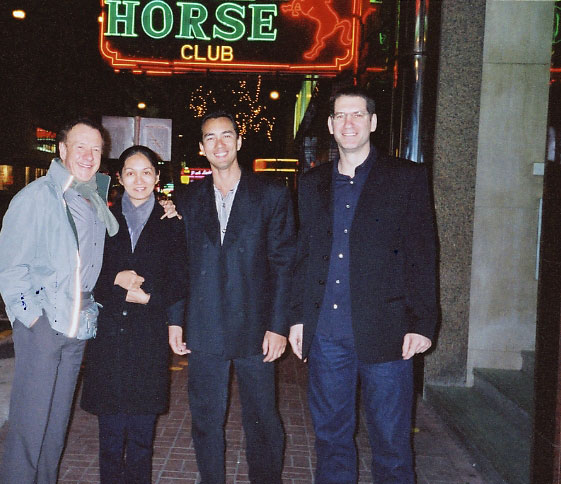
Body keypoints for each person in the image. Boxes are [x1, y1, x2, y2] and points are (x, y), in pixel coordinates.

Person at [288, 86, 438, 484]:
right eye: (340, 116)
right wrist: (300, 319)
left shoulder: (406, 178)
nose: (349, 123)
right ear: (331, 126)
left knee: (390, 442)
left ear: (372, 122)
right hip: (327, 335)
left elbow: (423, 254)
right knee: (331, 439)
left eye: (357, 115)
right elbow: (305, 256)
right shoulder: (312, 183)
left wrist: (423, 323)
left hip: (387, 333)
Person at [168, 111, 296, 484]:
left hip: (256, 328)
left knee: (263, 420)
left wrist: (278, 326)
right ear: (201, 147)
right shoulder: (186, 199)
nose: (219, 144)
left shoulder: (271, 194)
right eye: (211, 138)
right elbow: (180, 266)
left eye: (227, 136)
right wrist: (176, 319)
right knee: (206, 421)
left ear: (239, 142)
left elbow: (284, 263)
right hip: (204, 327)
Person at [0, 117, 120, 484]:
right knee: (30, 426)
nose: (88, 155)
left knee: (55, 426)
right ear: (62, 150)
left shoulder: (92, 197)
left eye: (96, 148)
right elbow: (8, 267)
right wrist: (33, 319)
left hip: (78, 325)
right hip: (46, 325)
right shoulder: (37, 197)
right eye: (80, 146)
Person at [80, 145, 187, 484]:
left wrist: (150, 297)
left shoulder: (172, 223)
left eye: (146, 172)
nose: (138, 180)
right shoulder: (103, 219)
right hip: (108, 339)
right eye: (130, 172)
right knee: (110, 438)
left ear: (157, 178)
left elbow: (181, 280)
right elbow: (84, 272)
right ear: (119, 177)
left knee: (142, 439)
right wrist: (114, 280)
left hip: (147, 339)